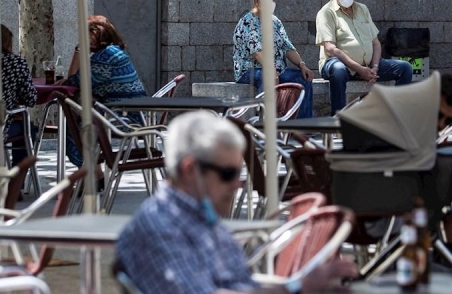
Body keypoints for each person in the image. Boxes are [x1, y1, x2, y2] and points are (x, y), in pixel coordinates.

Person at [116, 111, 357, 294]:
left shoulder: (201, 218)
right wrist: (296, 287)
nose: (237, 185)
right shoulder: (162, 225)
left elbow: (245, 287)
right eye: (228, 174)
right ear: (190, 169)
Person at [316, 0, 412, 114]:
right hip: (337, 64)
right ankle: (338, 119)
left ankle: (396, 116)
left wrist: (375, 67)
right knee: (338, 70)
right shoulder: (326, 13)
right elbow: (330, 49)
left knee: (405, 68)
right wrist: (359, 69)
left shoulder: (362, 9)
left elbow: (376, 44)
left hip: (368, 65)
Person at [59, 15, 147, 169]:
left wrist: (78, 50)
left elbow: (74, 79)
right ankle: (95, 173)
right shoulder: (114, 52)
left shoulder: (106, 56)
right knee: (84, 112)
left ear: (95, 34)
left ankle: (91, 172)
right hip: (133, 114)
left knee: (77, 116)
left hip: (125, 119)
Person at [233, 0, 314, 118]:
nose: (273, 4)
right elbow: (257, 52)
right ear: (257, 1)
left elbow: (287, 46)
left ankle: (302, 125)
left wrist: (302, 65)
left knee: (303, 78)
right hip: (251, 69)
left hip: (278, 69)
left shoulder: (275, 21)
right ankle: (267, 123)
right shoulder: (248, 22)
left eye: (274, 0)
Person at [0, 25, 37, 169]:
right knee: (28, 129)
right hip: (4, 125)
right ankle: (16, 181)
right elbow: (30, 98)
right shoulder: (14, 62)